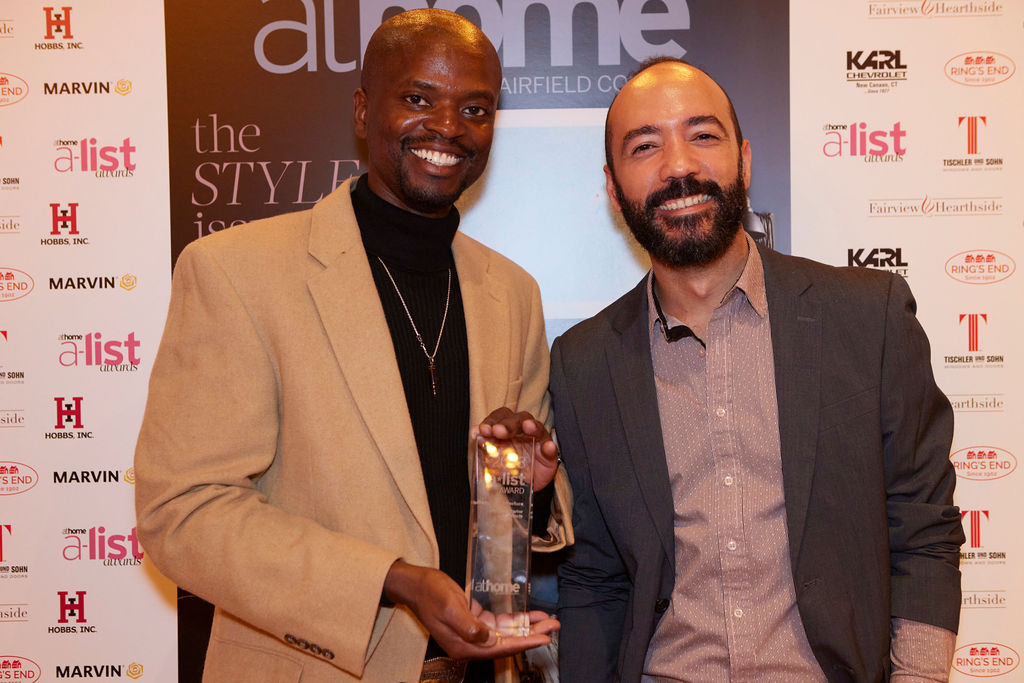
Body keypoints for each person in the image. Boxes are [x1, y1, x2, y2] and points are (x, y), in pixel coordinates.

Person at [134, 10, 570, 683]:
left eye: (475, 109)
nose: (448, 127)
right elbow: (183, 513)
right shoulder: (236, 271)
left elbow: (499, 517)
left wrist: (527, 491)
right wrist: (391, 579)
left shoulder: (513, 292)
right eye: (418, 98)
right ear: (364, 112)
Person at [551, 58, 964, 682]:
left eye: (703, 135)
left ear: (743, 160)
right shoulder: (583, 363)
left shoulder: (868, 317)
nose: (679, 165)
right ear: (613, 189)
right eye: (645, 146)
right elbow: (596, 578)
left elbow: (923, 528)